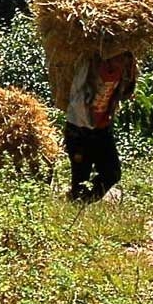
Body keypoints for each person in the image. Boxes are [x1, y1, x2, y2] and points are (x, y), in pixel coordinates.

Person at [63, 49, 137, 202]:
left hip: (102, 130)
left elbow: (126, 92)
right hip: (78, 131)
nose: (124, 61)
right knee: (80, 180)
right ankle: (77, 207)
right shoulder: (89, 65)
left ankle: (84, 202)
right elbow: (77, 100)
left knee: (112, 173)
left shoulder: (124, 70)